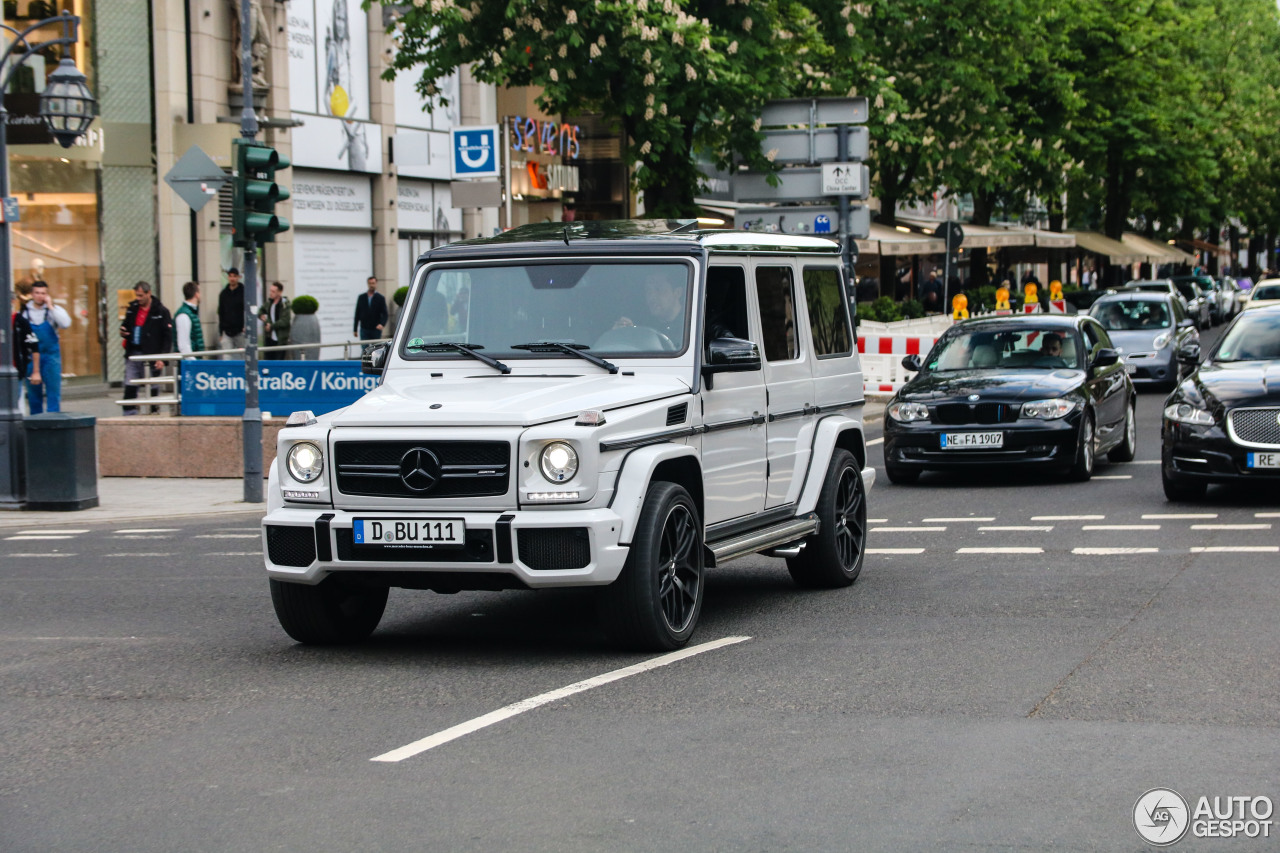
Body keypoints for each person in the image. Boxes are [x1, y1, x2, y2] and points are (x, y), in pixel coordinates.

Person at [119, 282, 173, 415]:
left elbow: (167, 337)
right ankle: (129, 415)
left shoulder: (161, 311)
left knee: (152, 387)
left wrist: (163, 358)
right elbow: (125, 325)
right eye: (137, 295)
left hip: (151, 355)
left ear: (149, 293)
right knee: (130, 385)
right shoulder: (133, 308)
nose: (138, 298)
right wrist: (123, 331)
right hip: (134, 353)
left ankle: (153, 413)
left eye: (141, 296)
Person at [19, 280, 71, 414]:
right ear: (32, 294)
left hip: (51, 357)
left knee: (53, 392)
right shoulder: (24, 312)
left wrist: (51, 306)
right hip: (31, 358)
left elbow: (65, 324)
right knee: (33, 395)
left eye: (43, 293)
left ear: (47, 295)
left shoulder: (53, 310)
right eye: (37, 293)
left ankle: (53, 423)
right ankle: (36, 425)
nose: (40, 296)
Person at [614, 271, 687, 344]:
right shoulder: (642, 325)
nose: (652, 297)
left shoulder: (692, 324)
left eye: (658, 289)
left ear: (678, 292)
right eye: (648, 291)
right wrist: (621, 334)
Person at [258, 281, 292, 359]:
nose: (271, 293)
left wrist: (272, 326)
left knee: (279, 360)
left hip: (280, 339)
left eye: (273, 291)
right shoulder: (269, 303)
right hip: (270, 338)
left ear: (279, 292)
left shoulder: (284, 305)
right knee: (268, 360)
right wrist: (261, 316)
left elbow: (285, 321)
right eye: (270, 291)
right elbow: (261, 311)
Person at [217, 268, 246, 357]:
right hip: (227, 331)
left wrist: (245, 326)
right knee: (227, 357)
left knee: (246, 357)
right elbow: (221, 313)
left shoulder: (244, 292)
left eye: (234, 276)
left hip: (240, 331)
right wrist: (221, 332)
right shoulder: (224, 294)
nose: (232, 279)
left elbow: (247, 310)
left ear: (238, 277)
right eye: (230, 276)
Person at [174, 281, 205, 358]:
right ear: (196, 294)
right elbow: (183, 345)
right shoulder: (184, 315)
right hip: (190, 365)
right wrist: (193, 363)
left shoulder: (190, 313)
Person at [353, 275, 387, 340]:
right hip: (364, 328)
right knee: (364, 347)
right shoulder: (361, 297)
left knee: (376, 347)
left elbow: (385, 313)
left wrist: (382, 324)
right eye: (370, 283)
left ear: (376, 284)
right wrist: (355, 329)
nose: (371, 285)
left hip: (375, 328)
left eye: (373, 283)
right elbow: (357, 313)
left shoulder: (380, 298)